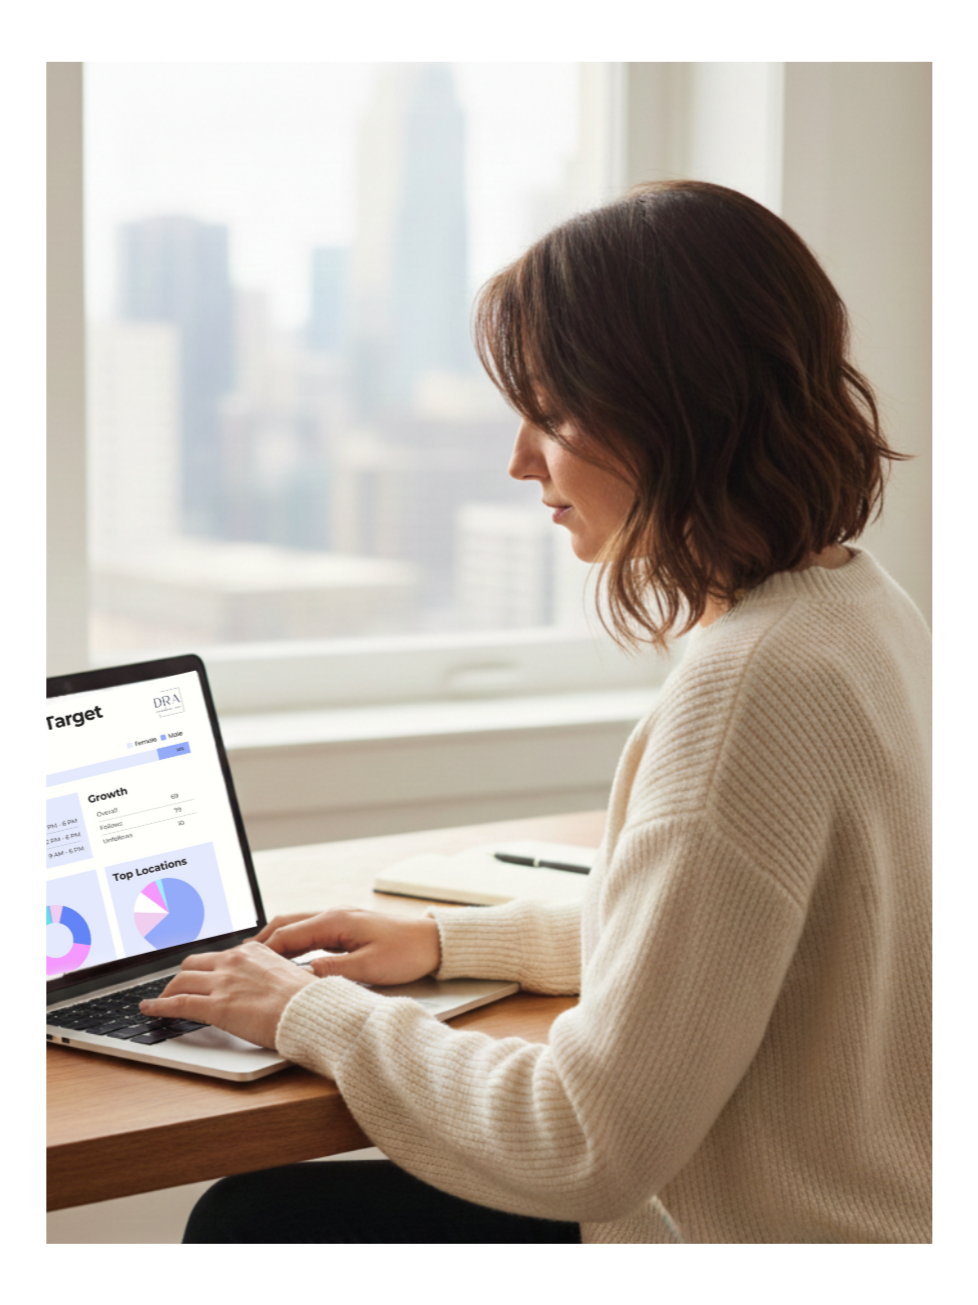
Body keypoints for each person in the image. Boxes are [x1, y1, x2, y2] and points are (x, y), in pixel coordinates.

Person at [142, 180, 932, 1248]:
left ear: (674, 406)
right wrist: (451, 941)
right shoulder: (856, 607)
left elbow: (583, 1141)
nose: (521, 460)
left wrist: (303, 1010)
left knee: (253, 1226)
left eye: (552, 415)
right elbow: (731, 942)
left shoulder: (748, 685)